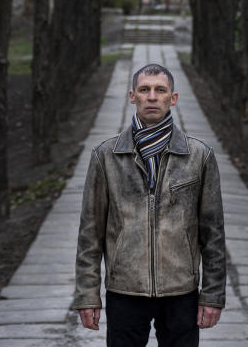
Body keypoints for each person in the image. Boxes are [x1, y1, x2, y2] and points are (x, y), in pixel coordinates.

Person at [73, 63, 225, 346]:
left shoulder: (199, 157)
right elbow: (90, 235)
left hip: (181, 291)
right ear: (133, 96)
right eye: (144, 90)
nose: (152, 96)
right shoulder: (106, 157)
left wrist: (213, 295)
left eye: (160, 90)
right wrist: (87, 295)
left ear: (173, 98)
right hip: (125, 290)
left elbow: (213, 234)